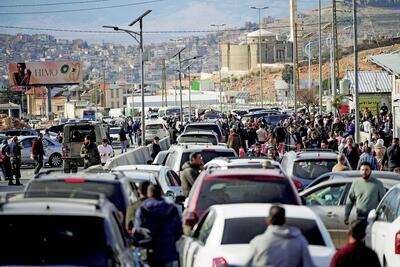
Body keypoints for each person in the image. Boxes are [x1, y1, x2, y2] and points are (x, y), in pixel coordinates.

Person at [245, 205, 315, 267]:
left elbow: (248, 264)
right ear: (285, 220)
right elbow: (308, 264)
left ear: (268, 220)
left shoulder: (258, 241)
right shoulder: (300, 241)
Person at [134, 184, 183, 267]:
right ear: (161, 193)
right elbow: (179, 233)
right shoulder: (172, 210)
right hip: (169, 253)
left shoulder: (143, 210)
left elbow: (138, 233)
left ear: (148, 194)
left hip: (150, 254)